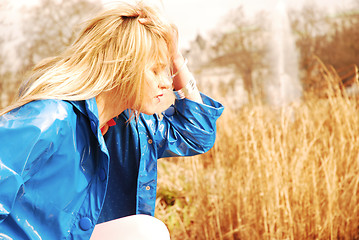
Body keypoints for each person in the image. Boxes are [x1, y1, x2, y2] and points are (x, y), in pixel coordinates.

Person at [0, 1, 224, 240]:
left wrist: (177, 57)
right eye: (156, 70)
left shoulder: (132, 127)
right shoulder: (50, 117)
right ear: (125, 66)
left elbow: (197, 133)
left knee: (147, 232)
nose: (167, 83)